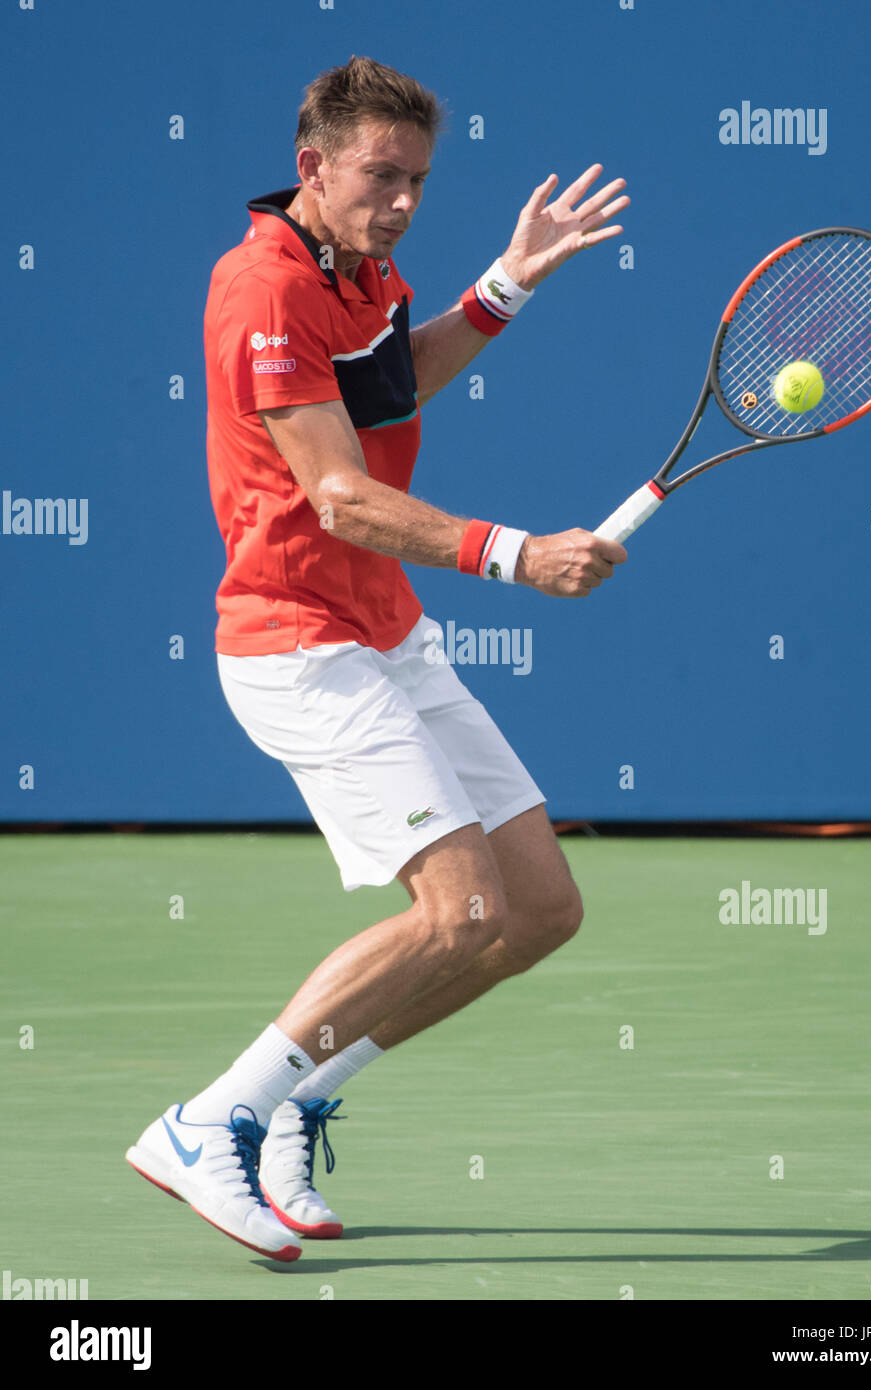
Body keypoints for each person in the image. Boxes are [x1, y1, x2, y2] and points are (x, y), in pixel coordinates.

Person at [126, 55, 629, 1262]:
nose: (403, 201)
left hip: (385, 630)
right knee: (457, 914)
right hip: (300, 644)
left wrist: (504, 285)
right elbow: (342, 495)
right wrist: (515, 555)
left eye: (418, 181)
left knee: (540, 909)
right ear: (315, 166)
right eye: (381, 177)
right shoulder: (263, 288)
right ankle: (212, 1121)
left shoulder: (365, 267)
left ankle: (298, 1098)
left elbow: (396, 390)